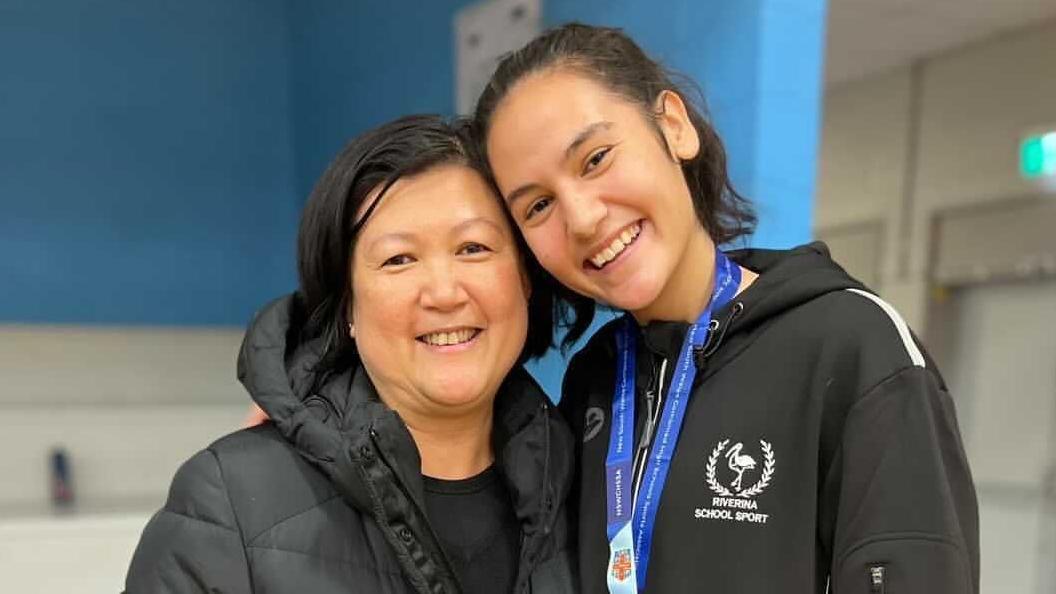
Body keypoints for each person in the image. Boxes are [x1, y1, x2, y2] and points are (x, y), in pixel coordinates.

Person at [473, 23, 979, 594]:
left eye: (595, 159)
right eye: (538, 205)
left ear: (674, 126)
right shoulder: (594, 380)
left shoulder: (851, 347)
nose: (583, 219)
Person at [124, 115, 577, 593]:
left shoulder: (591, 483)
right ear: (347, 308)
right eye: (399, 259)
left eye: (473, 248)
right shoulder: (228, 507)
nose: (444, 293)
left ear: (524, 277)